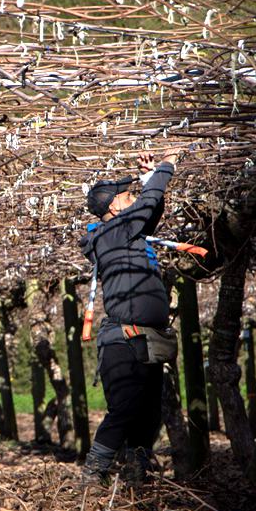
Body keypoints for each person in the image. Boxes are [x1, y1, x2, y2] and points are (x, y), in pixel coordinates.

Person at [78, 149, 180, 484]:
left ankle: (137, 472)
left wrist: (151, 179)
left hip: (143, 338)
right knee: (123, 410)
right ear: (113, 207)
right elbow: (148, 205)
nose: (133, 198)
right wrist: (166, 166)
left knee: (149, 414)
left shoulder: (125, 232)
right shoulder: (113, 232)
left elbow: (150, 212)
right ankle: (93, 474)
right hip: (124, 340)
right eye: (127, 196)